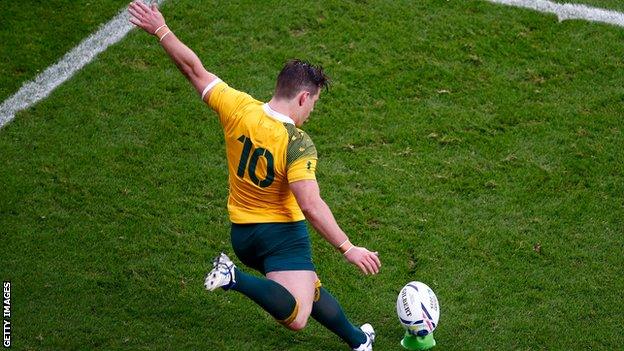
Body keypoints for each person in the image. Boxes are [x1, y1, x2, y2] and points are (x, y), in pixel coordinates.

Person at [128, 1, 382, 350]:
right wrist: (347, 247)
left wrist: (160, 29)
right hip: (282, 236)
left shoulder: (238, 107)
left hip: (244, 234)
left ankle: (358, 340)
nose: (312, 111)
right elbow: (309, 203)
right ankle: (232, 278)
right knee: (297, 316)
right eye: (315, 103)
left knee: (309, 286)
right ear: (304, 98)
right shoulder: (297, 143)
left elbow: (193, 69)